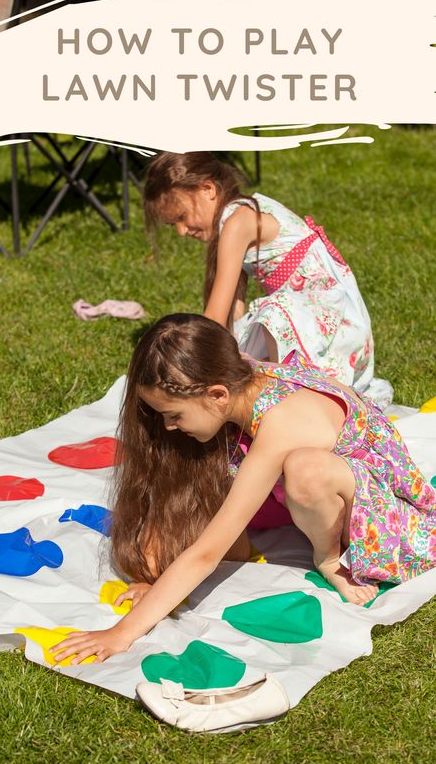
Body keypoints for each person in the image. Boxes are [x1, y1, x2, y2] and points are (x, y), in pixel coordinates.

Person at [51, 314, 435, 665]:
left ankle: (328, 556)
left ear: (217, 395)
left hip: (387, 516)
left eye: (174, 416)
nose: (168, 427)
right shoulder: (237, 379)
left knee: (305, 470)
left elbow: (206, 554)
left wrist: (121, 634)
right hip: (307, 491)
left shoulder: (284, 422)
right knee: (155, 556)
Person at [143, 151, 393, 408]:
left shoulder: (238, 223)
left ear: (207, 189)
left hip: (334, 329)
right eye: (172, 225)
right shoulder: (240, 214)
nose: (181, 231)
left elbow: (213, 320)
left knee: (271, 314)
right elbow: (230, 317)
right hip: (321, 326)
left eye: (181, 217)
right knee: (241, 342)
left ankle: (285, 401)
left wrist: (183, 367)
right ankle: (276, 393)